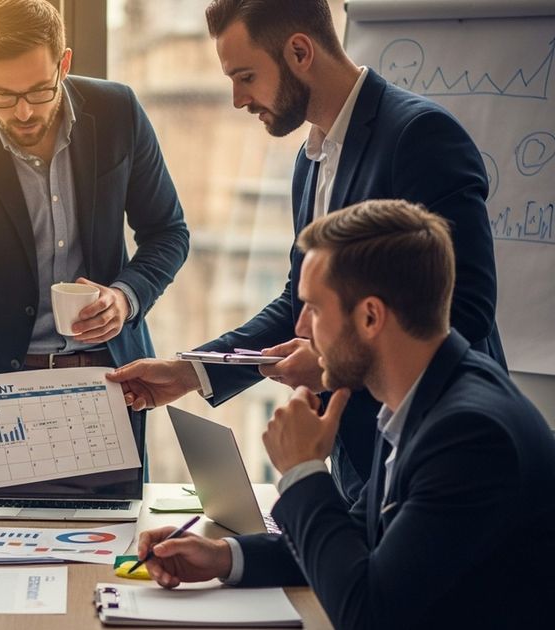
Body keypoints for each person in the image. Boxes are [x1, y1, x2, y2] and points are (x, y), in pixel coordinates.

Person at [109, 0, 504, 502]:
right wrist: (190, 371)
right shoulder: (310, 159)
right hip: (355, 459)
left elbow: (466, 313)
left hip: (437, 455)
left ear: (299, 51)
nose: (236, 99)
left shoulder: (420, 137)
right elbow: (298, 305)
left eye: (246, 76)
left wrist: (331, 365)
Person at [137, 199, 555, 628]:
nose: (300, 328)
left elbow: (369, 615)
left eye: (313, 308)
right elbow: (366, 536)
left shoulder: (471, 433)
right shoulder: (425, 396)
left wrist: (303, 471)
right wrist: (224, 556)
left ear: (371, 317)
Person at [0, 0, 188, 385]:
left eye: (40, 91)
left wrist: (125, 298)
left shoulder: (118, 111)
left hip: (111, 373)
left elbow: (168, 231)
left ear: (65, 63)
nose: (23, 113)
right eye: (3, 96)